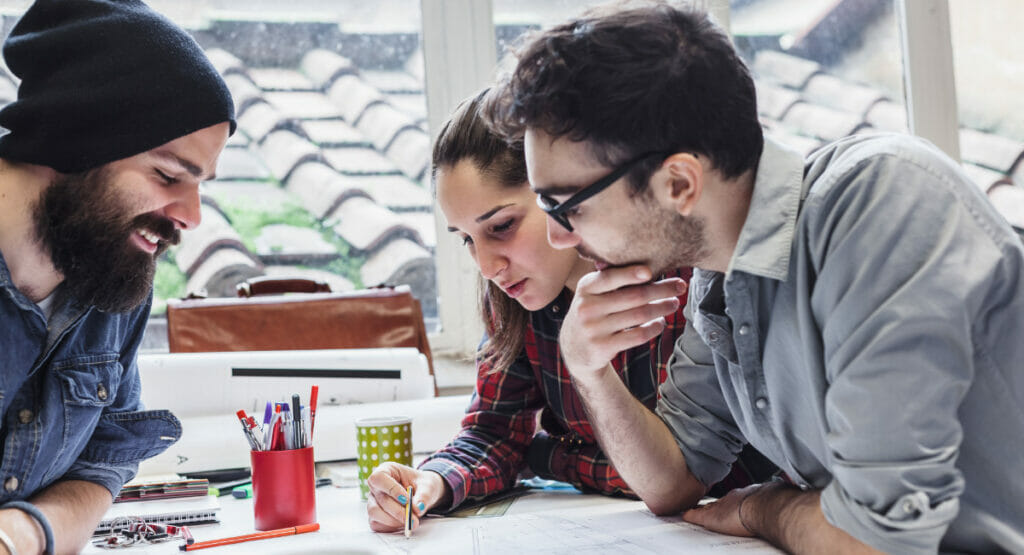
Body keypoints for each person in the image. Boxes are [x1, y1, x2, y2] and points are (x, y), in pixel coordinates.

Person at [486, 2, 1024, 554]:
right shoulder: (722, 273)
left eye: (564, 207)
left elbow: (877, 544)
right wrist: (589, 369)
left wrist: (758, 507)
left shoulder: (881, 203)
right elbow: (672, 481)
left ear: (678, 184)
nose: (559, 239)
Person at [364, 90, 774, 534]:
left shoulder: (687, 276)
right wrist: (433, 481)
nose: (486, 266)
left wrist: (546, 455)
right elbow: (495, 434)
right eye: (466, 238)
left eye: (501, 227)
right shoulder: (515, 295)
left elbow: (684, 475)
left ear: (559, 192)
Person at [0, 0, 235, 552]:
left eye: (201, 184)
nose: (192, 216)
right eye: (169, 174)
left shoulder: (113, 269)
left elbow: (103, 461)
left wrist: (23, 534)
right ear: (74, 143)